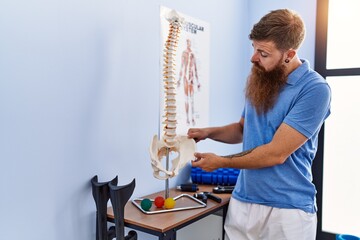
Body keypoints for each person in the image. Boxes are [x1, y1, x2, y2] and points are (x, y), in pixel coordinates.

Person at [188, 9, 331, 240]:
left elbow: (276, 153)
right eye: (254, 48)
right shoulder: (261, 77)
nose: (254, 58)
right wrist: (207, 132)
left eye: (263, 53)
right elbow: (243, 129)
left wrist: (221, 162)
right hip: (243, 202)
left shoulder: (314, 89)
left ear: (289, 54)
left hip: (287, 211)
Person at [178, 39, 200, 126]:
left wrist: (198, 82)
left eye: (189, 42)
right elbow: (182, 66)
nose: (188, 44)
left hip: (191, 78)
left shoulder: (193, 55)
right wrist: (179, 80)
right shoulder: (184, 54)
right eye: (187, 42)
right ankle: (187, 118)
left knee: (192, 100)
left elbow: (195, 68)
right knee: (186, 99)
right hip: (185, 79)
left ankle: (192, 118)